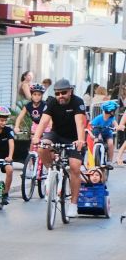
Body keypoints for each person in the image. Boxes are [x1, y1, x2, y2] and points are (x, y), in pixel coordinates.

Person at [32, 78, 88, 211]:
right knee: (42, 147)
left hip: (74, 138)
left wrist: (80, 140)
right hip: (56, 135)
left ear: (70, 91)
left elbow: (79, 123)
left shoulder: (77, 102)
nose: (60, 96)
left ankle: (73, 204)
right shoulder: (52, 102)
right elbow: (44, 121)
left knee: (75, 167)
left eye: (63, 93)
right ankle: (51, 171)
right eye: (57, 93)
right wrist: (36, 137)